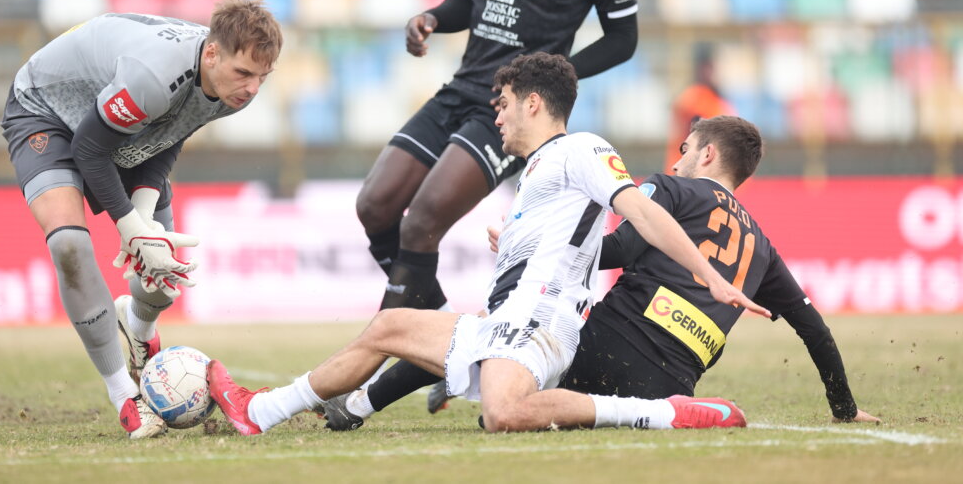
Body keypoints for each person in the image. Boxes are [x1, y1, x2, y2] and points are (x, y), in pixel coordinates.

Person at [209, 53, 767, 436]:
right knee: (387, 328)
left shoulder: (583, 149)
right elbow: (575, 241)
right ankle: (259, 411)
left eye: (500, 103)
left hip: (540, 323)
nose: (494, 115)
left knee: (504, 415)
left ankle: (664, 415)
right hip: (511, 317)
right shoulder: (539, 170)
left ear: (532, 104)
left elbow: (640, 211)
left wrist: (711, 276)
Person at [324, 116, 878, 430]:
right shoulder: (761, 246)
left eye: (686, 149)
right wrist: (845, 409)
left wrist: (531, 245)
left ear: (707, 155)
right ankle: (466, 393)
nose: (679, 156)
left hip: (603, 354)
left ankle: (355, 405)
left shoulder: (671, 188)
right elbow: (814, 330)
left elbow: (620, 246)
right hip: (668, 386)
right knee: (500, 355)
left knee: (488, 332)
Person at [356, 0, 640, 323]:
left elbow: (623, 39)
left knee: (420, 222)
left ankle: (383, 360)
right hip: (460, 89)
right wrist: (430, 19)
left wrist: (558, 76)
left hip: (511, 113)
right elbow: (468, 0)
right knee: (374, 206)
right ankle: (443, 332)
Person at [0, 0, 282, 439]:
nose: (251, 88)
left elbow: (170, 132)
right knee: (69, 246)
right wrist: (129, 226)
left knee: (162, 273)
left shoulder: (232, 88)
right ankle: (124, 398)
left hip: (122, 124)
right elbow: (89, 149)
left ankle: (139, 326)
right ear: (211, 52)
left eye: (262, 78)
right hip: (46, 112)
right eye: (244, 73)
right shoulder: (154, 75)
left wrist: (146, 218)